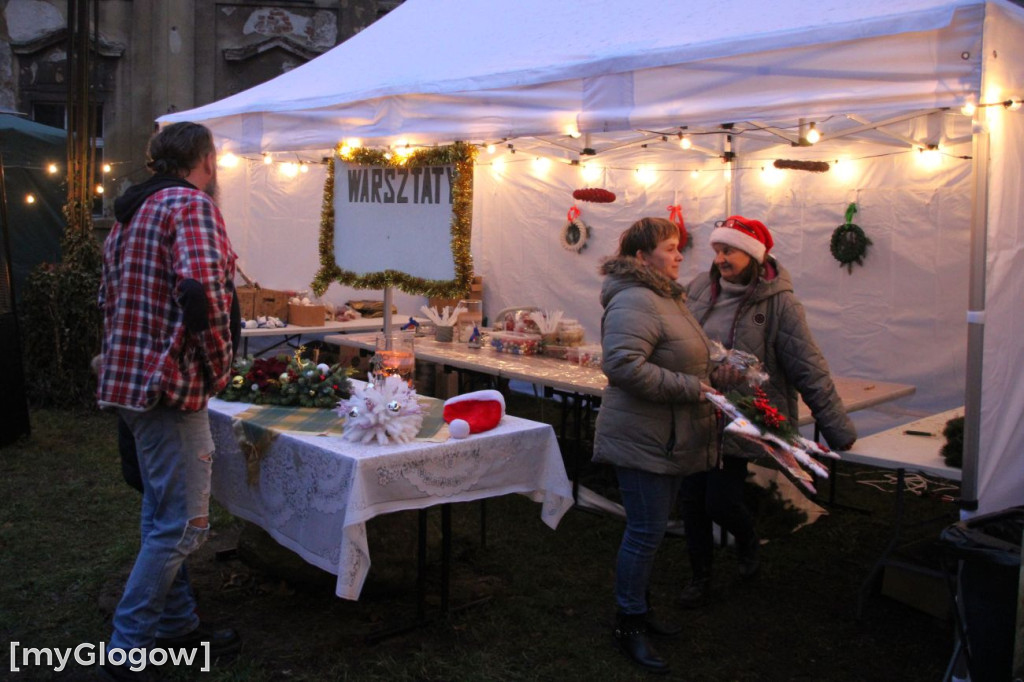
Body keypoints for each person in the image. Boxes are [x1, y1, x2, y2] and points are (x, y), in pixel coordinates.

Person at [96, 121, 240, 680]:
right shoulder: (190, 205)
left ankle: (176, 624)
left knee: (162, 513)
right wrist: (220, 369)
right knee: (183, 526)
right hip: (168, 387)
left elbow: (107, 297)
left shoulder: (130, 215)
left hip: (130, 379)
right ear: (205, 158)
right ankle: (126, 649)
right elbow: (205, 298)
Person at [679, 215, 857, 608]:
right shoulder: (695, 291)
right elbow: (679, 342)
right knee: (691, 500)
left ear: (754, 255)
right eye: (718, 250)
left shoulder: (780, 303)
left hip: (742, 416)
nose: (721, 258)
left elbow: (807, 365)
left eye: (730, 251)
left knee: (719, 502)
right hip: (696, 410)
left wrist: (836, 428)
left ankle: (746, 542)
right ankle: (699, 577)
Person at [592, 216, 717, 673]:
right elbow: (623, 365)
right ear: (642, 257)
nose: (679, 254)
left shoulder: (667, 296)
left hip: (664, 435)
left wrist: (720, 366)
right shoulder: (635, 299)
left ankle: (640, 609)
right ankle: (628, 623)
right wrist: (694, 388)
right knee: (644, 532)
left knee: (652, 529)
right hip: (642, 436)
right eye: (670, 247)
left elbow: (686, 352)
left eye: (679, 246)